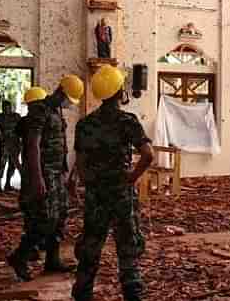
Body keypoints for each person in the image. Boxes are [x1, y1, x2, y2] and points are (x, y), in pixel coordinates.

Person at [72, 65, 154, 301]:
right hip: (120, 192)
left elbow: (81, 163)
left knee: (91, 244)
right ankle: (132, 292)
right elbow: (148, 155)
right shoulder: (127, 121)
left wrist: (91, 184)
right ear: (119, 92)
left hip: (96, 194)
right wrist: (131, 177)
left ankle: (83, 291)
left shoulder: (85, 124)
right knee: (127, 244)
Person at [7, 75, 84, 281]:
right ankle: (19, 257)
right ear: (60, 92)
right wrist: (37, 178)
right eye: (69, 98)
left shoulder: (56, 111)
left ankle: (52, 260)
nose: (69, 103)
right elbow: (32, 144)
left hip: (56, 174)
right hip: (42, 175)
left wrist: (66, 175)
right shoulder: (40, 109)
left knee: (59, 216)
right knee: (43, 220)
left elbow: (61, 145)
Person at [7, 87, 48, 277]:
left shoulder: (36, 121)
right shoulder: (27, 123)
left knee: (35, 215)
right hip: (35, 176)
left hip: (36, 174)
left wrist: (20, 166)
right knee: (38, 216)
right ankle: (21, 256)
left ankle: (31, 250)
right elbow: (14, 146)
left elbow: (12, 147)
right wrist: (22, 168)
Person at [0, 100, 22, 192]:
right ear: (2, 108)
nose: (6, 109)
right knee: (2, 165)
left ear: (11, 107)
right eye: (4, 107)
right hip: (4, 144)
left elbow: (23, 128)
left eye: (8, 107)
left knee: (13, 165)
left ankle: (8, 184)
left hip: (15, 144)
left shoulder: (16, 116)